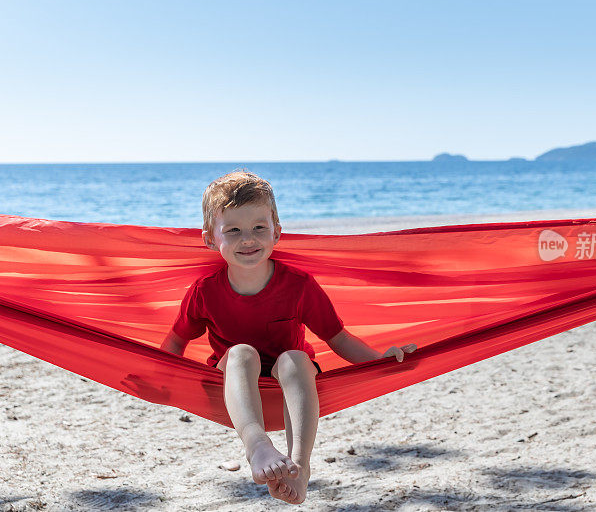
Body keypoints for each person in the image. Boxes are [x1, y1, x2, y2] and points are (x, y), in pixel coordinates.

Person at [161, 170, 416, 504]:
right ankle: (257, 445)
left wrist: (379, 361)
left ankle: (299, 465)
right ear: (211, 239)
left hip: (291, 382)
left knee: (294, 357)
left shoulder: (299, 286)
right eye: (233, 230)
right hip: (234, 385)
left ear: (277, 233)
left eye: (258, 228)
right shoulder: (205, 292)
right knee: (241, 353)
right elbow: (175, 342)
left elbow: (338, 338)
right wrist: (160, 379)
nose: (247, 239)